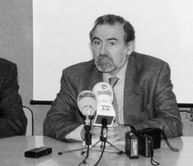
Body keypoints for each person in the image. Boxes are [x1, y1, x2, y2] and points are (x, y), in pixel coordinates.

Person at [43, 14, 182, 143]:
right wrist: (85, 132)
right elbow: (52, 122)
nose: (102, 51)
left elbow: (172, 123)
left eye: (111, 43)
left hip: (137, 158)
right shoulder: (75, 75)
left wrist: (129, 131)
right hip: (92, 158)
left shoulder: (154, 72)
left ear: (129, 46)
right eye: (97, 43)